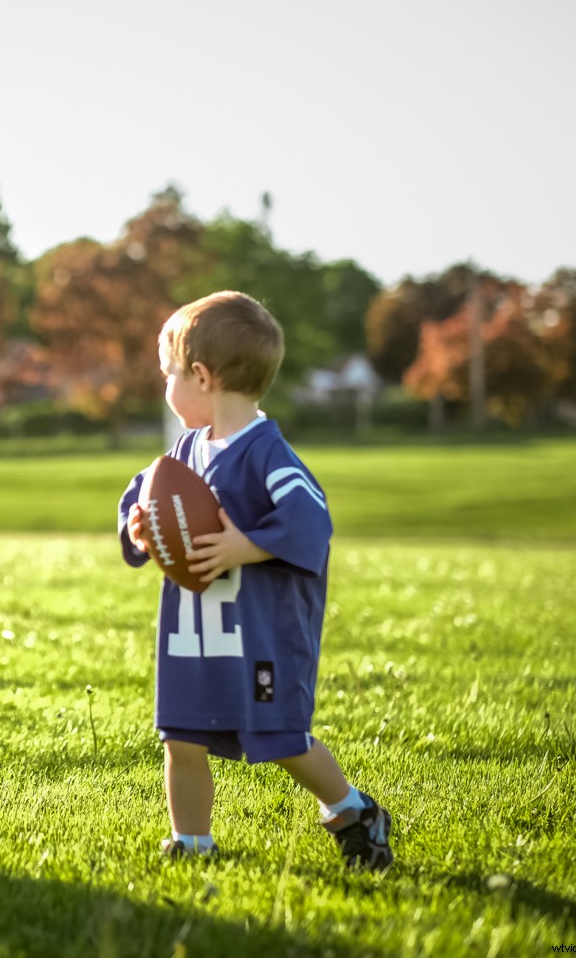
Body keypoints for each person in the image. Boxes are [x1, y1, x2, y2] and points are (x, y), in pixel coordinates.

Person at [118, 290, 393, 870]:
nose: (164, 386)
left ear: (200, 376)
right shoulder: (181, 456)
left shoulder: (269, 455)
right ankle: (192, 843)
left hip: (259, 636)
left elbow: (311, 519)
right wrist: (139, 529)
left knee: (280, 737)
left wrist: (247, 545)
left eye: (169, 373)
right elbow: (138, 500)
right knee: (181, 735)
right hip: (194, 632)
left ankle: (351, 810)